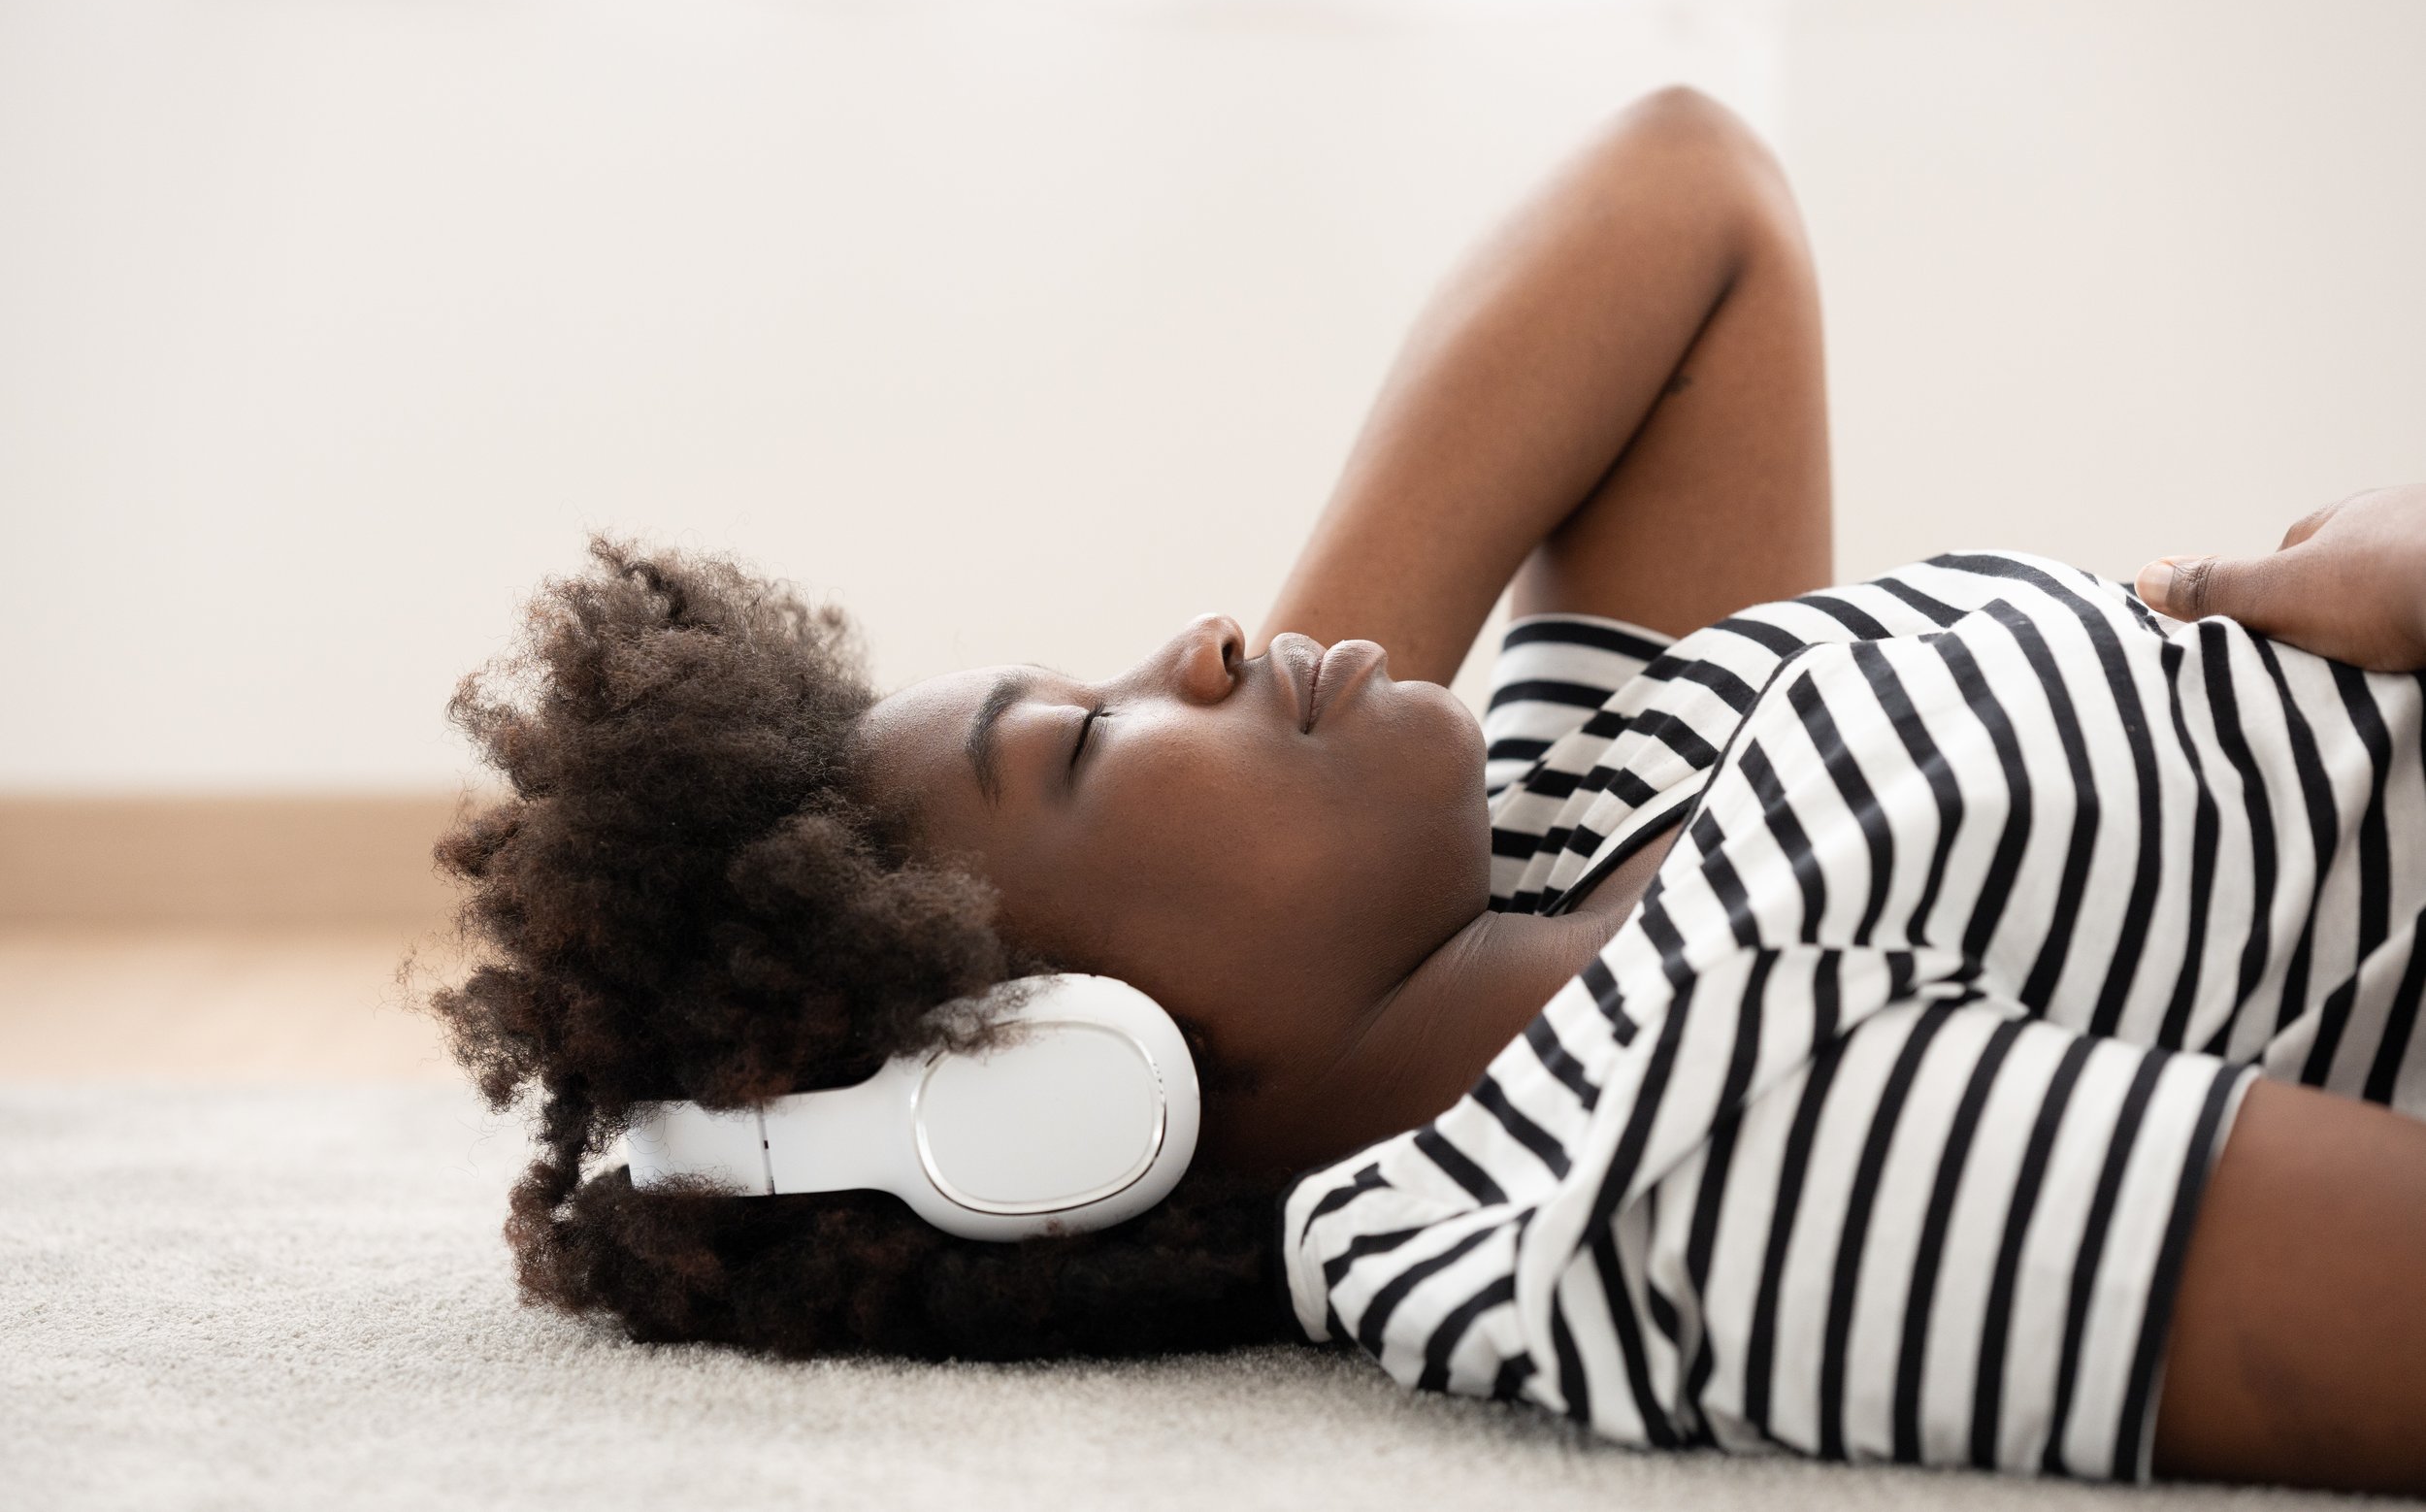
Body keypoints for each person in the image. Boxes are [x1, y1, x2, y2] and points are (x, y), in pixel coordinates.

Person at [429, 88, 2426, 1495]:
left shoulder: (1539, 840)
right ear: (1060, 1094)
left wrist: (1284, 771)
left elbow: (1685, 192)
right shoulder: (1675, 1161)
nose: (1207, 638)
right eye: (1090, 742)